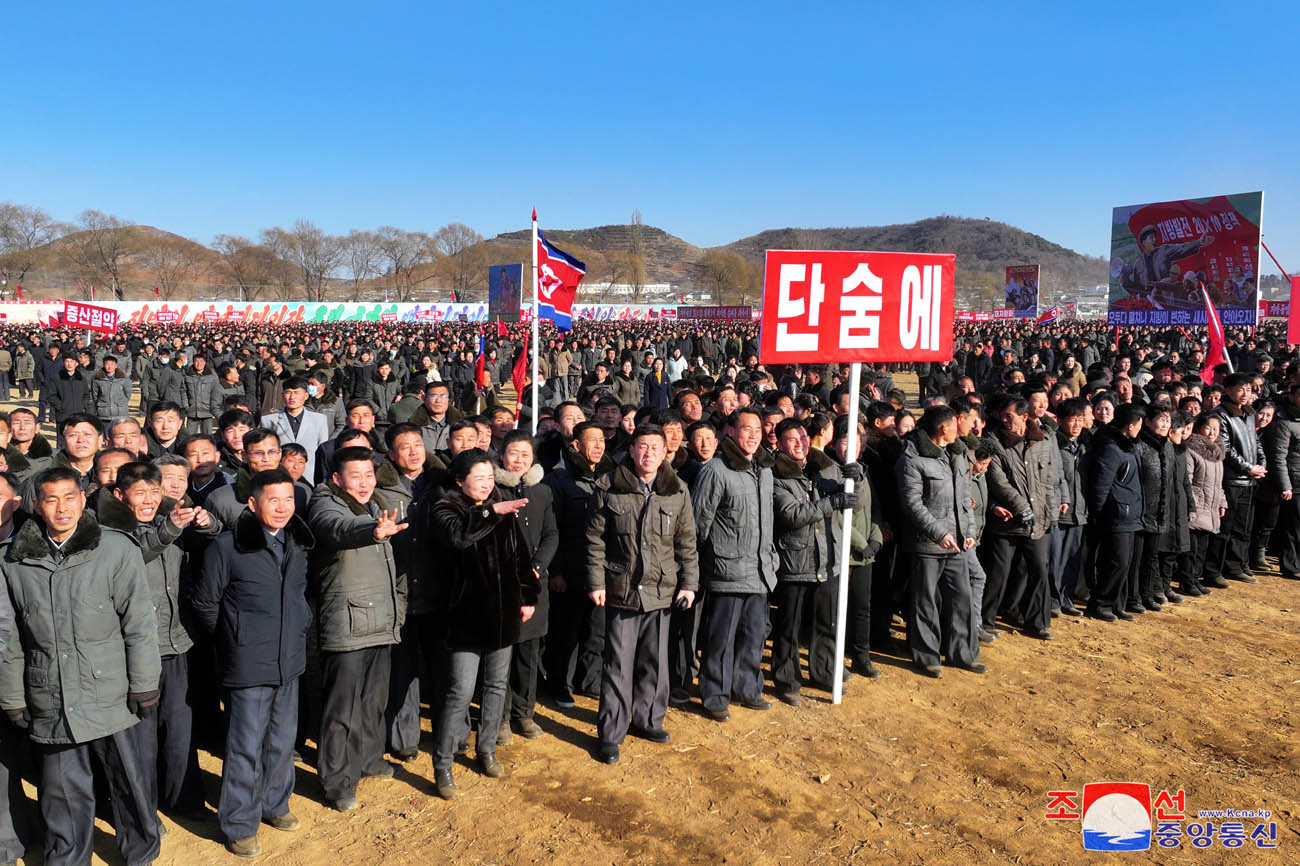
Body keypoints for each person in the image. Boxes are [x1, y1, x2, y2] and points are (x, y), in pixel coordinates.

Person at [0, 467, 161, 866]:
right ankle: (68, 855)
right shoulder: (12, 560)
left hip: (110, 688)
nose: (62, 508)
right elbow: (8, 635)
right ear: (37, 505)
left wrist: (144, 683)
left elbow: (139, 622)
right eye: (51, 499)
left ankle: (140, 849)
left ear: (83, 499)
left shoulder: (115, 549)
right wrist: (12, 696)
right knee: (62, 788)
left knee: (127, 779)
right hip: (50, 691)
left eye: (69, 497)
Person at [195, 469, 314, 858]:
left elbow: (299, 597)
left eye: (288, 500)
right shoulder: (227, 547)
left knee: (282, 740)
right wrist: (235, 638)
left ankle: (275, 804)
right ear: (253, 503)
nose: (282, 508)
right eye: (273, 500)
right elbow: (205, 603)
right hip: (247, 662)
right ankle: (239, 823)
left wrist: (300, 628)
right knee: (245, 745)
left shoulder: (297, 542)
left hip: (289, 659)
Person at [427, 450, 539, 800]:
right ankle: (442, 763)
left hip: (503, 613)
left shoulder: (501, 507)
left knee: (495, 686)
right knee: (459, 691)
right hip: (464, 617)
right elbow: (459, 536)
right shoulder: (445, 508)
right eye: (479, 478)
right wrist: (491, 511)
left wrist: (528, 596)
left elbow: (521, 558)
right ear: (460, 481)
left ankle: (486, 748)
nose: (487, 484)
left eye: (490, 478)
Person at [586, 424, 699, 764]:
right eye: (642, 446)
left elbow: (687, 543)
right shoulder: (609, 486)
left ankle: (649, 720)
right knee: (618, 664)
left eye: (656, 447)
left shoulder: (677, 490)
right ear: (631, 450)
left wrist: (689, 583)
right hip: (621, 589)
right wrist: (596, 582)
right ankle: (611, 733)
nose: (649, 453)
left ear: (667, 452)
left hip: (662, 589)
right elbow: (594, 541)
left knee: (655, 662)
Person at [306, 448, 408, 812]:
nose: (364, 482)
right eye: (356, 476)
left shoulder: (374, 503)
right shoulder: (325, 505)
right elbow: (337, 530)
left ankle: (368, 759)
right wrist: (373, 531)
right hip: (346, 625)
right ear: (337, 479)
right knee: (341, 711)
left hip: (380, 621)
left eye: (369, 474)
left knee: (373, 701)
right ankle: (336, 782)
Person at [692, 408, 777, 721]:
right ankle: (715, 695)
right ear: (730, 432)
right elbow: (698, 524)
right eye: (746, 429)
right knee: (721, 640)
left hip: (760, 569)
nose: (754, 434)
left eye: (757, 429)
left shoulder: (765, 470)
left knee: (754, 636)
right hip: (726, 571)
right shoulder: (716, 470)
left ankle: (748, 688)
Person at [770, 418, 857, 703]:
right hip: (795, 563)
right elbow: (793, 515)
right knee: (789, 628)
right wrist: (832, 502)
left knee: (826, 624)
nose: (800, 443)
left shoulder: (824, 467)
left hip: (827, 559)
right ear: (779, 443)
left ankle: (824, 672)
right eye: (792, 439)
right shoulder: (775, 475)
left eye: (803, 437)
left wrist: (856, 478)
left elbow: (853, 502)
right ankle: (786, 679)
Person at [896, 406, 982, 676]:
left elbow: (964, 497)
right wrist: (939, 534)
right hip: (927, 544)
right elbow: (912, 504)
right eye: (955, 424)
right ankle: (926, 656)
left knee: (961, 598)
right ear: (943, 428)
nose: (960, 428)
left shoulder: (955, 455)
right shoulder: (912, 459)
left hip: (956, 543)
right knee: (925, 601)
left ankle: (962, 653)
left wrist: (968, 531)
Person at [543, 421, 614, 707]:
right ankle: (561, 684)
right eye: (591, 440)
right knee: (566, 631)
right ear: (576, 445)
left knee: (596, 629)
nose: (598, 445)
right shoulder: (558, 479)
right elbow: (552, 529)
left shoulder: (612, 476)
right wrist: (556, 571)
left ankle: (590, 681)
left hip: (602, 569)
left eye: (601, 440)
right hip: (570, 568)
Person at [494, 432, 558, 741]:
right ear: (502, 455)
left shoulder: (543, 492)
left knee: (528, 655)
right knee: (501, 655)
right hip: (502, 583)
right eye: (513, 453)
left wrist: (536, 568)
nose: (518, 460)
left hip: (535, 583)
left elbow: (551, 534)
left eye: (525, 454)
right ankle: (500, 717)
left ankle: (523, 713)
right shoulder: (493, 491)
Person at [1084, 403, 1146, 621]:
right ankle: (1100, 604)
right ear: (1130, 425)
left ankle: (1117, 603)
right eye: (1139, 424)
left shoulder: (1128, 445)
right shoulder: (1111, 447)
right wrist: (1098, 514)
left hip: (1129, 513)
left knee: (1125, 563)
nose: (1141, 427)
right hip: (1115, 515)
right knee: (1115, 561)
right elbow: (1101, 484)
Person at [1207, 373, 1266, 584]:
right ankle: (1214, 570)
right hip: (1232, 479)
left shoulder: (1249, 414)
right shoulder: (1221, 414)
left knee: (1244, 527)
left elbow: (1256, 442)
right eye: (1240, 389)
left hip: (1250, 479)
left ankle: (1237, 565)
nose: (1244, 394)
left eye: (1248, 390)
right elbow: (1226, 449)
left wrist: (1261, 465)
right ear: (1228, 390)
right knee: (1225, 528)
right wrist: (1249, 468)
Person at [263, 377, 331, 482]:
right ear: (282, 395)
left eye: (296, 392)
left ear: (306, 396)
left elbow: (323, 452)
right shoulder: (269, 421)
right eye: (288, 392)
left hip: (310, 477)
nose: (292, 397)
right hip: (279, 478)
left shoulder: (319, 420)